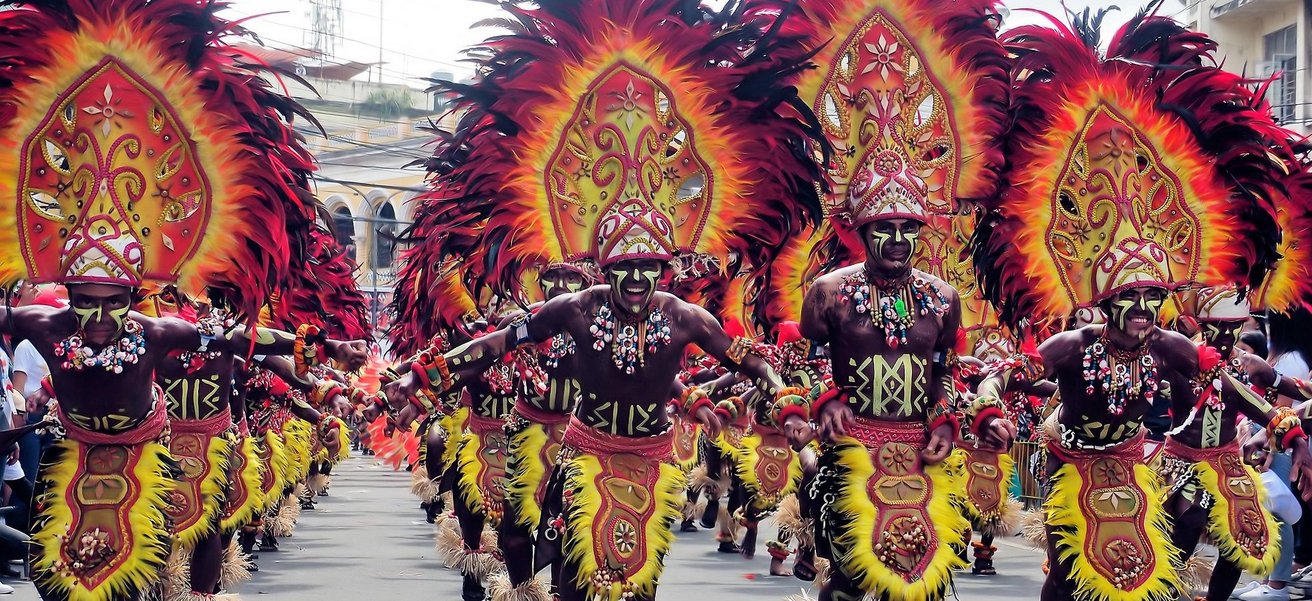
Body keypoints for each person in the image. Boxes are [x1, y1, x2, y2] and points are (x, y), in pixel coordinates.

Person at [385, 3, 823, 601]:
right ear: (605, 269)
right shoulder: (578, 309)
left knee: (636, 582)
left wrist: (787, 398)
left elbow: (746, 359)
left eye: (648, 268)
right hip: (580, 449)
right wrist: (425, 374)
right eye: (625, 269)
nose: (637, 280)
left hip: (651, 459)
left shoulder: (683, 315)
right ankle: (506, 577)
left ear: (663, 269)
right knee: (568, 575)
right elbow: (497, 343)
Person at [971, 10, 1307, 601]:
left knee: (1135, 574)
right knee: (1070, 575)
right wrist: (989, 412)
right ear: (1109, 300)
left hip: (1132, 465)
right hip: (1070, 461)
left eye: (1154, 297)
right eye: (1133, 298)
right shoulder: (1073, 346)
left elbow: (1227, 385)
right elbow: (1003, 378)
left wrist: (1285, 427)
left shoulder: (1170, 345)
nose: (1145, 309)